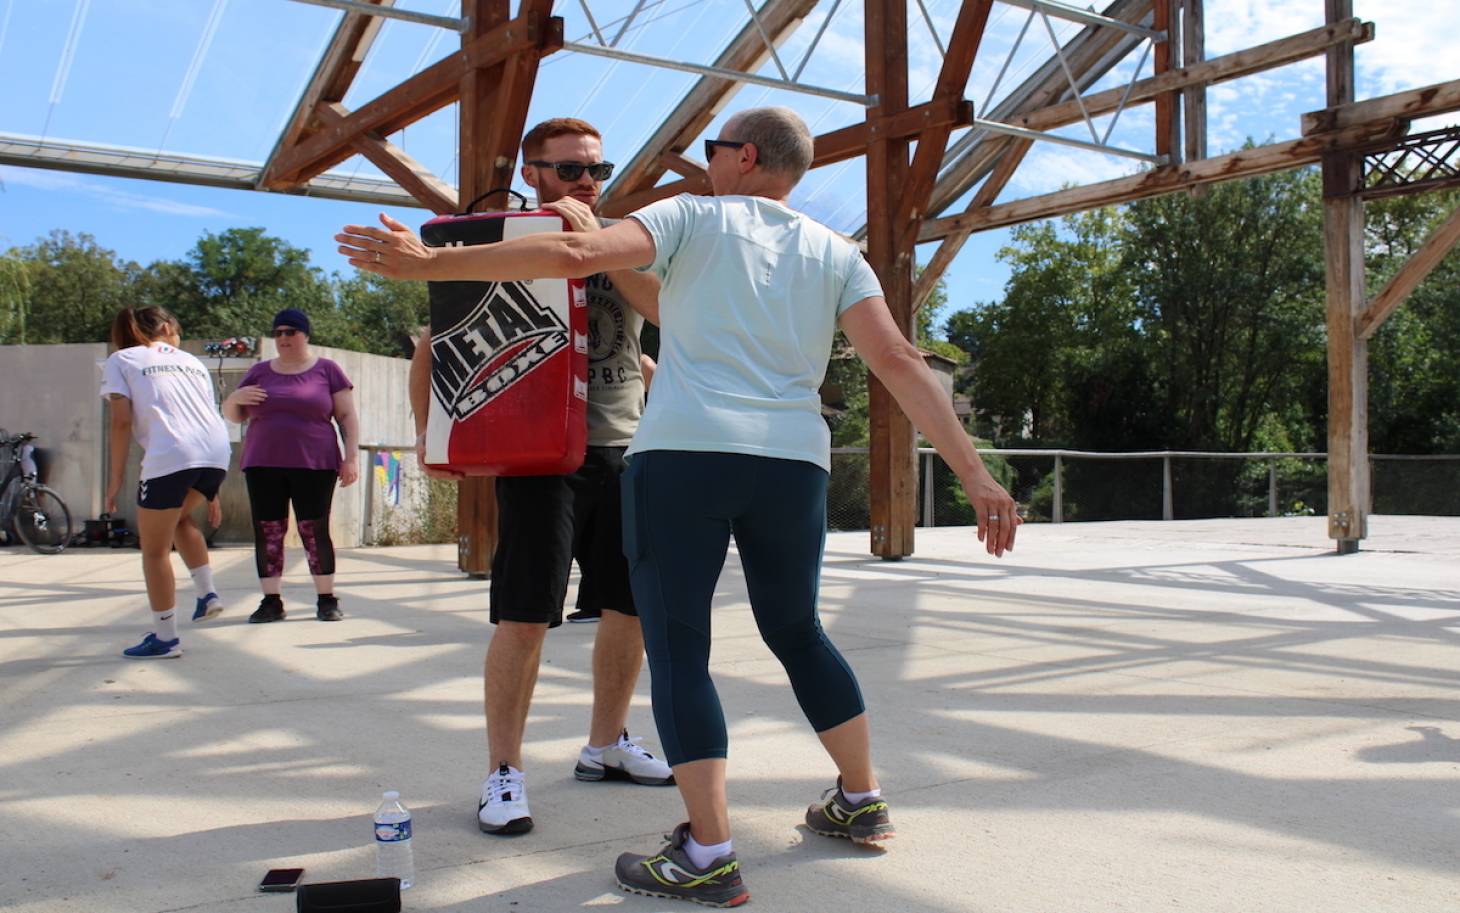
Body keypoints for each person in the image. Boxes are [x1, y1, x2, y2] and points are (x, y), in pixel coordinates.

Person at [338, 106, 1021, 905]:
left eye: (712, 150)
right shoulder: (838, 254)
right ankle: (861, 799)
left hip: (685, 458)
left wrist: (422, 263)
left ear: (746, 157)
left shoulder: (689, 214)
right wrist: (977, 476)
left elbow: (575, 249)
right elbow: (900, 360)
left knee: (680, 649)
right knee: (798, 630)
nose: (704, 163)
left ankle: (709, 850)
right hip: (792, 465)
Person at [403, 117, 673, 837]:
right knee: (525, 613)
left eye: (598, 168)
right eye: (570, 169)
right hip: (536, 453)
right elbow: (436, 345)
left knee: (631, 605)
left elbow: (657, 313)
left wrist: (594, 241)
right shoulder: (500, 240)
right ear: (533, 173)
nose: (588, 181)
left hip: (624, 449)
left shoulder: (630, 235)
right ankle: (503, 770)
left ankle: (606, 743)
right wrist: (437, 440)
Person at [102, 306, 231, 659]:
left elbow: (121, 423)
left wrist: (114, 481)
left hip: (172, 455)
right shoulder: (193, 362)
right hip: (216, 454)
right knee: (178, 519)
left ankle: (166, 637)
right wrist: (213, 488)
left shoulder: (122, 359)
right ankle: (207, 595)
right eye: (178, 327)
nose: (179, 335)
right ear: (163, 326)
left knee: (154, 549)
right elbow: (206, 414)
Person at [221, 309, 359, 623]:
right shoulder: (259, 371)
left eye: (291, 331)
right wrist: (234, 397)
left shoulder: (327, 370)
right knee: (268, 530)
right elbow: (234, 415)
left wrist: (350, 458)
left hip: (315, 462)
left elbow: (347, 417)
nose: (283, 338)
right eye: (278, 332)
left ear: (305, 334)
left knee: (314, 529)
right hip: (263, 462)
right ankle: (271, 601)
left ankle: (326, 598)